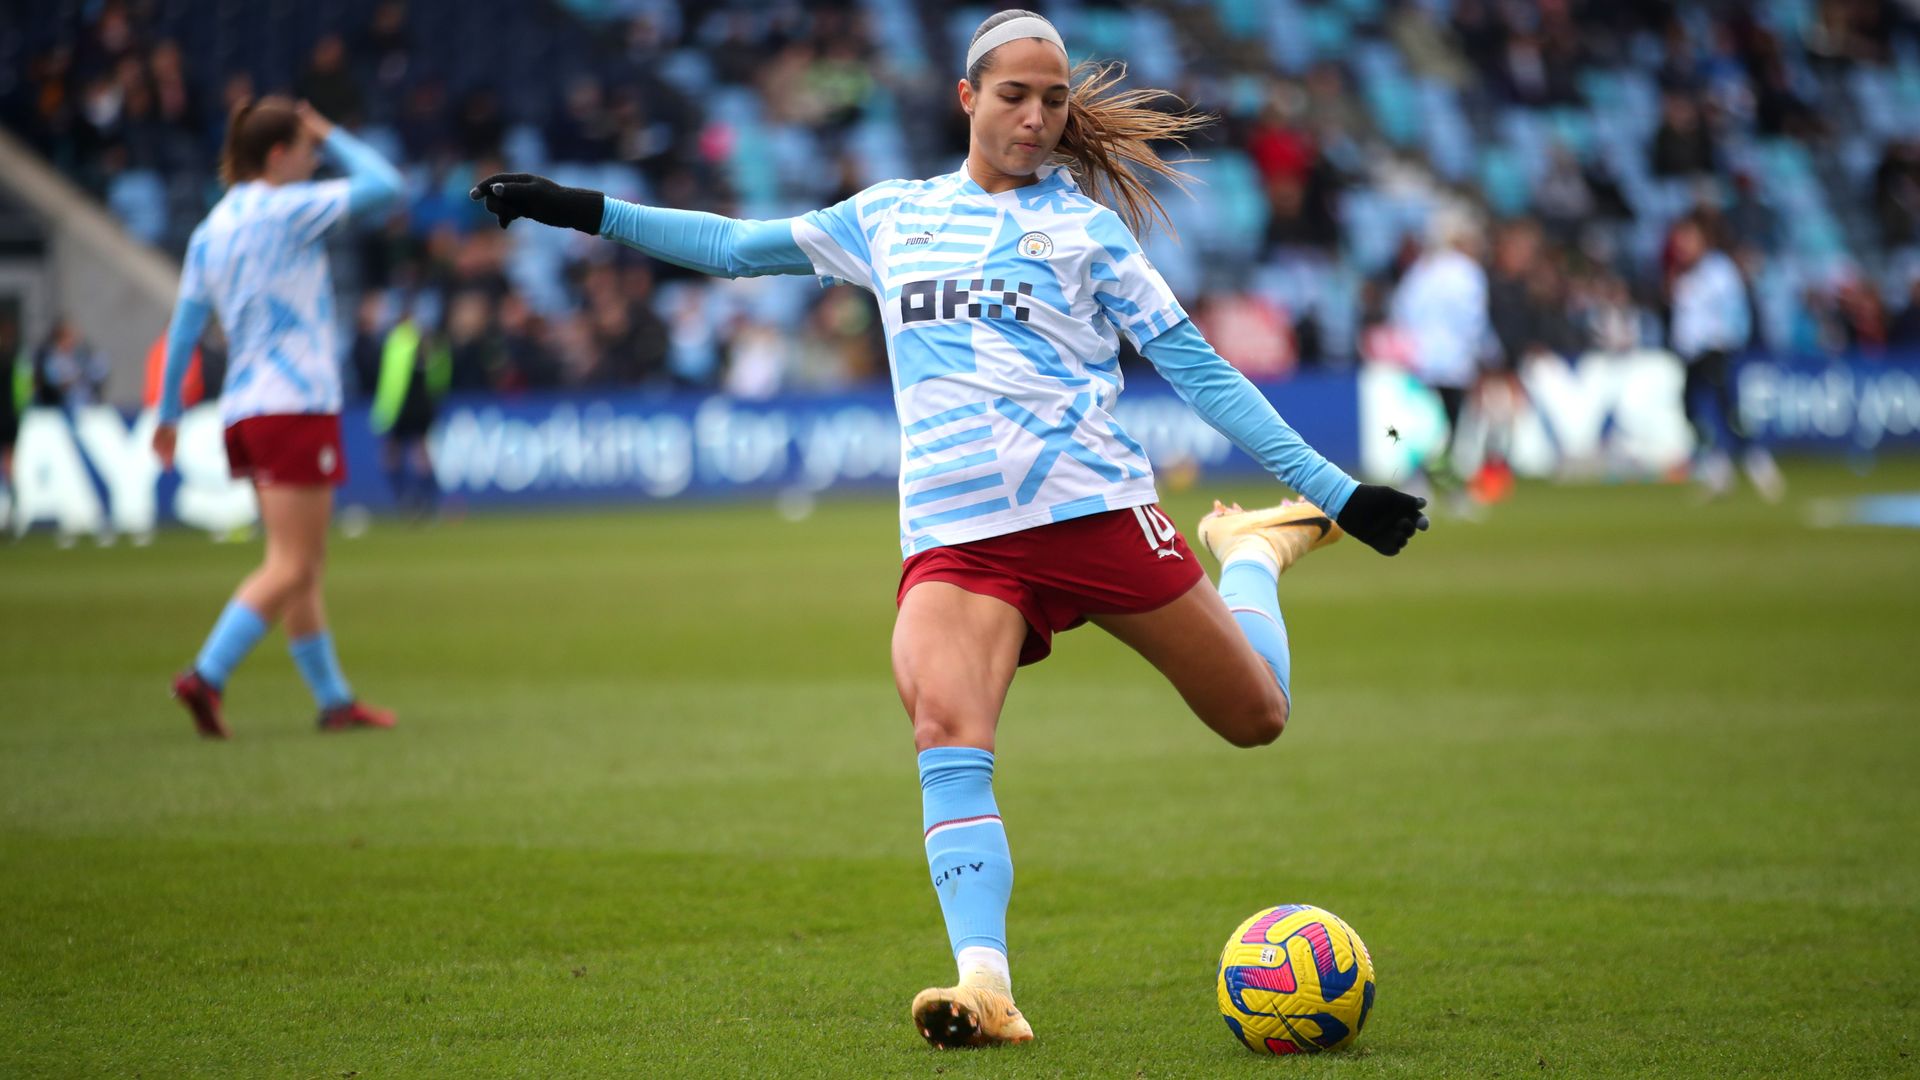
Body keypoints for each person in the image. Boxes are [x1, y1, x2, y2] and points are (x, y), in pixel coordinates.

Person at [470, 8, 1428, 1049]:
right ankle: (986, 985)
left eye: (1054, 99)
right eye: (1014, 94)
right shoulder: (891, 216)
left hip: (1097, 515)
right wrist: (580, 209)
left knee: (1259, 716)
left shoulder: (1087, 233)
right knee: (946, 735)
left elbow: (1199, 369)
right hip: (958, 541)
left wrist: (1332, 493)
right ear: (967, 97)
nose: (1035, 116)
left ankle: (1254, 552)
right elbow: (737, 249)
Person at [153, 96, 404, 737]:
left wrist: (168, 413)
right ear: (278, 153)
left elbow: (184, 327)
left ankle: (333, 701)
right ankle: (205, 675)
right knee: (293, 565)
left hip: (244, 409)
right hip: (295, 403)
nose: (314, 157)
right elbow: (387, 185)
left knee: (297, 562)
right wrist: (334, 128)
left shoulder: (211, 228)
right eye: (306, 147)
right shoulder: (288, 210)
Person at [1667, 214, 1783, 500]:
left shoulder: (1718, 271)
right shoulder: (1685, 276)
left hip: (1715, 349)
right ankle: (1719, 466)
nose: (1682, 246)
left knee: (1727, 407)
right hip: (1691, 354)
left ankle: (1757, 461)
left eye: (1687, 239)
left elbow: (1733, 310)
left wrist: (1727, 339)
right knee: (1691, 409)